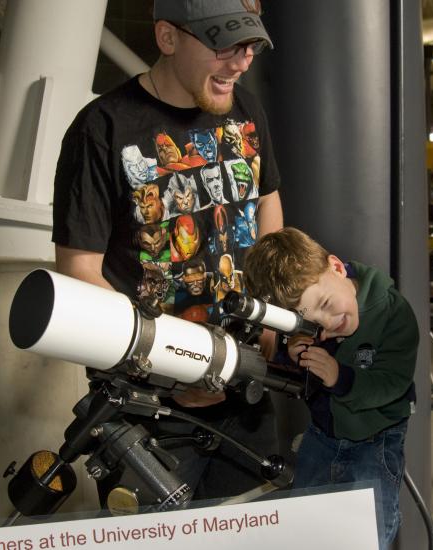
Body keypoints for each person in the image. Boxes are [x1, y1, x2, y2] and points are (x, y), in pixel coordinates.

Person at [51, 0, 283, 508]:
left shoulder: (247, 111)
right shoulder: (101, 129)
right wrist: (180, 364)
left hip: (247, 396)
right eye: (224, 44)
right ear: (167, 37)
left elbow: (267, 205)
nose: (241, 63)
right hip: (148, 411)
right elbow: (78, 273)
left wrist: (268, 315)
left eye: (249, 46)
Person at [244, 227, 419, 549]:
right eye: (311, 322)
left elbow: (394, 382)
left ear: (337, 268)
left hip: (376, 441)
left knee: (371, 531)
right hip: (322, 436)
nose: (327, 324)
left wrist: (341, 377)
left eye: (325, 303)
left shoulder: (393, 311)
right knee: (307, 525)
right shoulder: (320, 310)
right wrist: (291, 353)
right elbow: (295, 366)